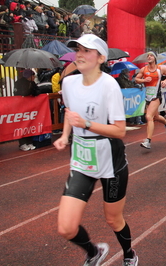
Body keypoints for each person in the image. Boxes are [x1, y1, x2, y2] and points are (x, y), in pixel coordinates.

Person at [53, 34, 138, 266]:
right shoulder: (69, 82)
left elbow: (120, 131)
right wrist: (64, 135)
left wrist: (87, 124)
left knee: (113, 219)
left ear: (101, 58)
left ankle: (129, 253)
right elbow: (70, 112)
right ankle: (93, 251)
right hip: (81, 158)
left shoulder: (109, 85)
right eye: (78, 49)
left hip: (109, 157)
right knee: (66, 227)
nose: (80, 54)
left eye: (86, 50)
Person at [135, 51, 166, 149]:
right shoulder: (144, 69)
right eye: (148, 56)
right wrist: (144, 80)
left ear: (155, 58)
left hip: (157, 96)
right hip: (148, 96)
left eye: (151, 55)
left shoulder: (160, 69)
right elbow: (136, 79)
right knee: (155, 117)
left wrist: (164, 81)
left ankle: (148, 141)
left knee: (149, 116)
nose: (149, 57)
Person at [14, 69, 37, 151]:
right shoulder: (19, 83)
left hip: (30, 107)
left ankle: (29, 141)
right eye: (33, 76)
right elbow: (21, 93)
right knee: (22, 124)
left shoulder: (32, 83)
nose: (34, 77)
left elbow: (37, 92)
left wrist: (33, 90)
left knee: (30, 124)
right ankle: (22, 143)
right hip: (21, 107)